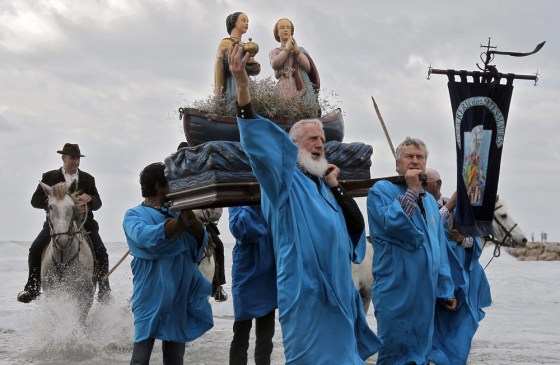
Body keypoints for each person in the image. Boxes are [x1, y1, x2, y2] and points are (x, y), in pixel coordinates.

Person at [228, 44, 381, 364]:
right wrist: (242, 87)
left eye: (322, 141)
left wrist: (336, 186)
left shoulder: (324, 188)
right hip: (305, 298)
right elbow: (259, 150)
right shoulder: (283, 184)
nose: (319, 145)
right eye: (312, 139)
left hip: (339, 297)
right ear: (291, 145)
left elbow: (355, 229)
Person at [366, 137, 457, 365]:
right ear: (398, 164)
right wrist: (412, 191)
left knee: (421, 353)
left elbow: (439, 248)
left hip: (424, 293)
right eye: (409, 156)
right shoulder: (381, 191)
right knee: (394, 352)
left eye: (420, 157)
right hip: (396, 289)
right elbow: (393, 224)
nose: (415, 161)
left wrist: (446, 288)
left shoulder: (429, 202)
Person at [123, 162, 213, 365]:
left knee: (174, 359)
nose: (173, 187)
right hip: (149, 296)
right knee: (140, 358)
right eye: (170, 183)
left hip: (178, 297)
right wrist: (178, 224)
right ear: (158, 186)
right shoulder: (134, 215)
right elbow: (145, 237)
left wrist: (193, 223)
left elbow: (196, 246)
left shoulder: (176, 212)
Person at [17, 143, 112, 304]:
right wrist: (55, 202)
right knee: (35, 249)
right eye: (72, 158)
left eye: (77, 158)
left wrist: (90, 199)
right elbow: (35, 201)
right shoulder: (49, 177)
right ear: (63, 158)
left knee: (101, 252)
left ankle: (104, 289)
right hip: (55, 224)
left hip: (84, 225)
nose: (75, 162)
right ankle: (32, 288)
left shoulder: (88, 179)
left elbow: (98, 203)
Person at [424, 168, 492, 365]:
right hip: (434, 277)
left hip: (460, 278)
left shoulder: (460, 209)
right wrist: (450, 206)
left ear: (438, 184)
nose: (421, 187)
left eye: (425, 183)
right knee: (431, 325)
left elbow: (476, 240)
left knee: (460, 324)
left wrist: (463, 239)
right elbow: (427, 226)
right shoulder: (422, 205)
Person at [228, 205, 277, 365]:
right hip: (245, 270)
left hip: (268, 268)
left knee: (266, 338)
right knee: (241, 334)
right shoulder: (236, 200)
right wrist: (252, 202)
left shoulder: (270, 197)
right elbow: (241, 230)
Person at [269, 18, 320, 104]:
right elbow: (275, 64)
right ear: (277, 33)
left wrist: (296, 52)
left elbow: (308, 67)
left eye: (288, 27)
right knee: (286, 108)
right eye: (282, 27)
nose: (285, 29)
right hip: (284, 85)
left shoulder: (300, 50)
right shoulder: (275, 51)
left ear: (291, 32)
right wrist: (286, 50)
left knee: (301, 109)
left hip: (299, 84)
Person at [214, 12, 259, 103]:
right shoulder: (226, 42)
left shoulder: (246, 45)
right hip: (233, 80)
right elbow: (225, 63)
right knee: (234, 103)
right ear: (235, 23)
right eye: (243, 20)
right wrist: (244, 67)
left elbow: (248, 65)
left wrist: (254, 68)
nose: (246, 23)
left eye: (248, 21)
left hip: (245, 81)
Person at [195, 208, 228, 301]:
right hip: (178, 219)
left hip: (201, 221)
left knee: (219, 245)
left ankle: (218, 285)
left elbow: (217, 213)